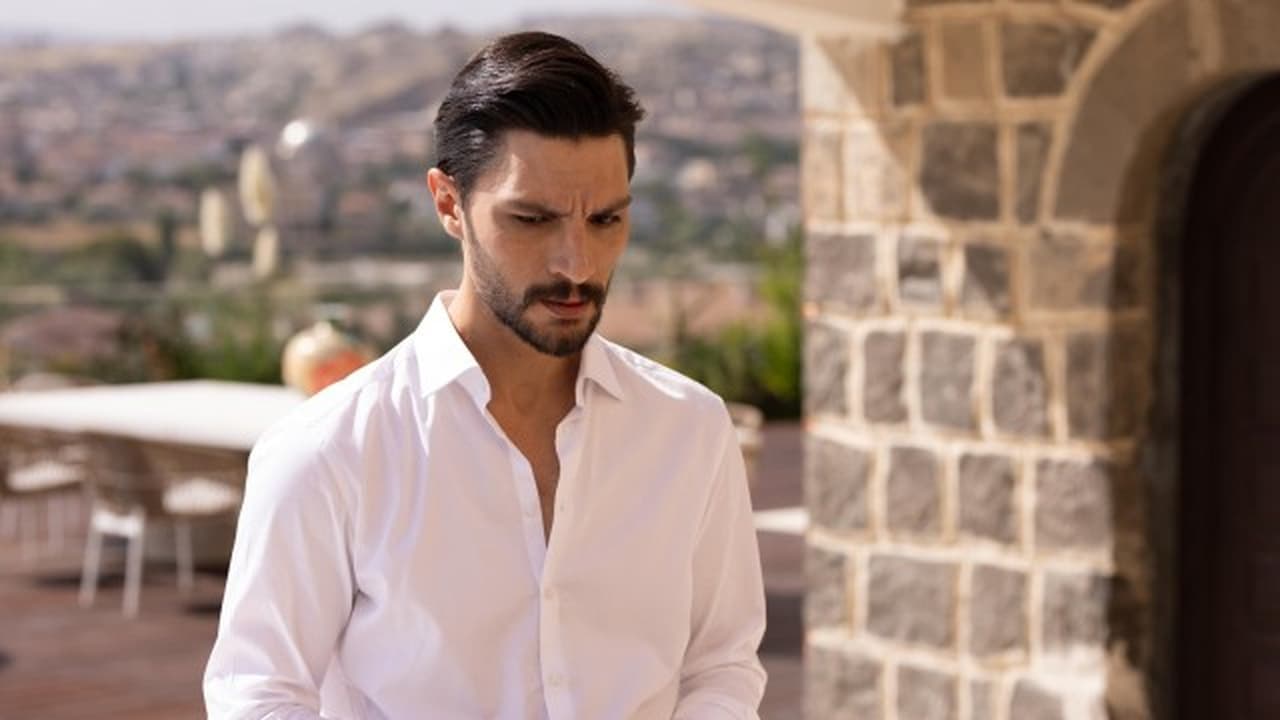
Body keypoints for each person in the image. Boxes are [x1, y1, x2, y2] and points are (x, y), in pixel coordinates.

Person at [204, 31, 767, 719]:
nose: (577, 264)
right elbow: (256, 694)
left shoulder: (690, 429)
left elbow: (722, 664)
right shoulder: (328, 452)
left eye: (606, 219)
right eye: (531, 219)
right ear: (449, 204)